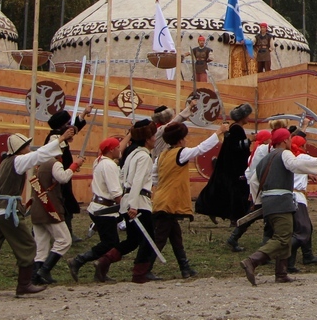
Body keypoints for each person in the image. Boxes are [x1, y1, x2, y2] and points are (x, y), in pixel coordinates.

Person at [0, 125, 76, 299]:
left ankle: (24, 284)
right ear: (21, 149)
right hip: (7, 212)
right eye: (26, 145)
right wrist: (60, 139)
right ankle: (24, 285)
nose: (29, 147)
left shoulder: (4, 163)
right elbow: (39, 155)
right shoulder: (18, 161)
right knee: (27, 245)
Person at [239, 128, 317, 285]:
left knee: (285, 237)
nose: (290, 141)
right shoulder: (284, 154)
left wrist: (259, 201)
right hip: (281, 201)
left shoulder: (266, 159)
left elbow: (254, 181)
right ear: (284, 141)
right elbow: (294, 165)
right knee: (282, 238)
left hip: (268, 202)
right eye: (288, 139)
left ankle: (281, 273)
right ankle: (252, 261)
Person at [152, 120, 225, 279]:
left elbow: (154, 178)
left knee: (176, 237)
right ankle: (143, 269)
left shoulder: (161, 156)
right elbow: (200, 149)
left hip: (161, 200)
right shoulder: (181, 153)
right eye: (184, 137)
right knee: (159, 239)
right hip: (168, 202)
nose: (185, 140)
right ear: (179, 140)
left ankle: (185, 268)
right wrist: (218, 132)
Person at [31, 112, 85, 284]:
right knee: (64, 240)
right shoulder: (53, 163)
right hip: (50, 208)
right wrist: (74, 165)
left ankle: (37, 275)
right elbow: (62, 177)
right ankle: (44, 271)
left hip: (38, 209)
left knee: (41, 246)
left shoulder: (38, 165)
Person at [66, 135, 126, 283]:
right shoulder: (109, 165)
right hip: (105, 210)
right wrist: (126, 207)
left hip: (99, 208)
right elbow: (115, 191)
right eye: (118, 148)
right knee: (110, 243)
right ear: (111, 150)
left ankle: (100, 272)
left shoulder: (98, 161)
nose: (120, 150)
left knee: (109, 242)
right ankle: (78, 260)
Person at [196, 103, 253, 228]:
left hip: (231, 166)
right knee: (237, 193)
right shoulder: (237, 129)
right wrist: (250, 141)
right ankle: (235, 218)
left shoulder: (234, 128)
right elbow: (236, 147)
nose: (249, 117)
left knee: (224, 191)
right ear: (242, 116)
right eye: (247, 115)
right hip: (235, 168)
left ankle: (215, 211)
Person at [121, 120, 160, 283]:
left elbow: (122, 176)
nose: (155, 139)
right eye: (153, 136)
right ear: (147, 139)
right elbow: (137, 182)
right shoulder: (144, 157)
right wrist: (134, 205)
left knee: (133, 239)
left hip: (129, 200)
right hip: (139, 203)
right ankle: (139, 273)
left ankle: (103, 262)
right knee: (149, 238)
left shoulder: (132, 154)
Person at [286, 132, 317, 273]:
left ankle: (306, 256)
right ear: (302, 145)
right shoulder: (303, 157)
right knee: (303, 230)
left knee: (301, 228)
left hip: (288, 196)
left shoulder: (289, 157)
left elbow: (299, 169)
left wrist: (307, 174)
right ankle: (286, 258)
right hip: (298, 198)